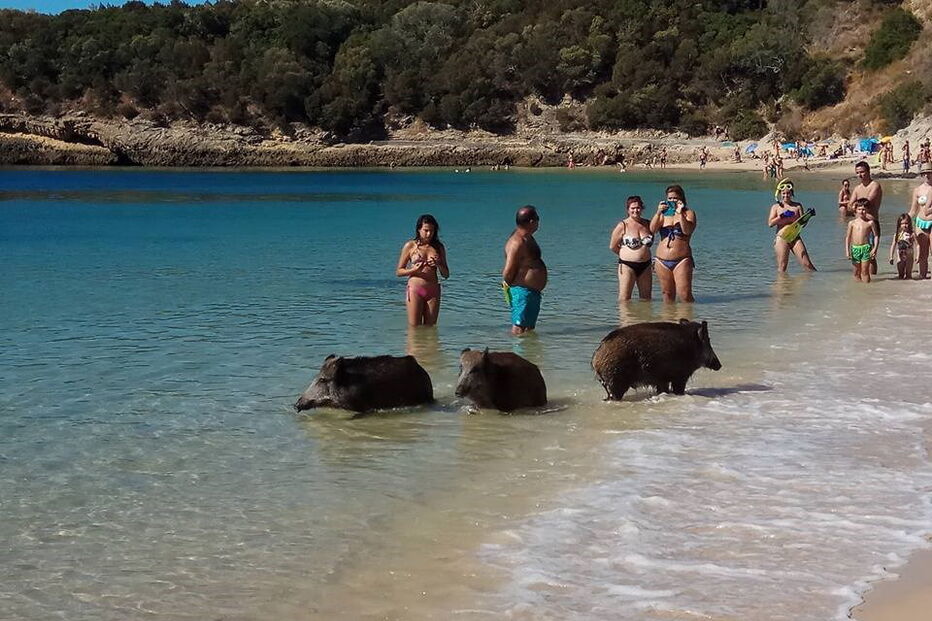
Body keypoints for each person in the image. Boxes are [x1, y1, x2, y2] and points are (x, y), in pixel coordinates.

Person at [395, 214, 449, 327]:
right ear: (419, 229)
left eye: (432, 231)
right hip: (416, 289)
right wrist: (413, 270)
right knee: (414, 327)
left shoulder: (438, 247)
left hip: (433, 290)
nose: (429, 234)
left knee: (431, 328)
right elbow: (399, 272)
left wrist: (438, 264)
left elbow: (446, 274)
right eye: (426, 230)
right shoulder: (410, 246)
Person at [503, 206, 548, 335]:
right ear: (531, 221)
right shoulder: (517, 242)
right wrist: (514, 291)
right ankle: (515, 348)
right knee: (519, 329)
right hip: (522, 292)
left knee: (528, 331)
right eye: (537, 218)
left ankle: (528, 350)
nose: (539, 222)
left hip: (531, 293)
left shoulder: (528, 238)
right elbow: (508, 271)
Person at [650, 184, 696, 302]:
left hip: (682, 259)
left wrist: (679, 213)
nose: (672, 200)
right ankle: (669, 314)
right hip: (661, 260)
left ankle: (689, 313)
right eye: (670, 198)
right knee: (667, 294)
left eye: (675, 198)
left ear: (681, 199)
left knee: (685, 294)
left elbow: (687, 231)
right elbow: (652, 230)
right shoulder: (663, 215)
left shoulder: (688, 214)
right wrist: (658, 212)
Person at [609, 196, 653, 301]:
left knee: (646, 299)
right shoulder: (623, 225)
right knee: (624, 299)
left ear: (642, 208)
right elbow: (613, 246)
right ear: (628, 210)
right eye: (632, 208)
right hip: (627, 265)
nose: (635, 210)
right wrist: (626, 255)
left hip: (646, 265)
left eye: (638, 208)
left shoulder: (648, 224)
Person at [768, 179, 816, 272]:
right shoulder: (776, 207)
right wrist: (782, 216)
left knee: (807, 265)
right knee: (782, 267)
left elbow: (802, 224)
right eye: (784, 193)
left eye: (788, 193)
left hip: (795, 237)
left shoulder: (797, 206)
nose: (786, 195)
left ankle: (818, 279)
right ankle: (781, 282)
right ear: (780, 194)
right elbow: (770, 223)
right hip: (782, 238)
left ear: (792, 194)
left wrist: (808, 216)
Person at [850, 160, 883, 274]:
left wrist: (855, 205)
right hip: (858, 224)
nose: (860, 175)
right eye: (857, 173)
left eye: (862, 172)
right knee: (858, 254)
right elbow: (850, 205)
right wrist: (853, 205)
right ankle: (861, 279)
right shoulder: (857, 188)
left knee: (871, 255)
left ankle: (873, 279)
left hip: (871, 223)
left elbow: (867, 203)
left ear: (868, 171)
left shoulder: (875, 185)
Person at [846, 198, 879, 283]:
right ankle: (858, 288)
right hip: (855, 248)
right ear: (856, 210)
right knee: (856, 272)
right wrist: (847, 251)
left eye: (864, 209)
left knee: (865, 271)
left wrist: (875, 248)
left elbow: (876, 236)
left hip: (866, 248)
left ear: (867, 210)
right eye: (859, 209)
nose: (861, 211)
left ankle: (867, 288)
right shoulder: (852, 223)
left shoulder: (870, 223)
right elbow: (848, 238)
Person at [889, 213, 915, 280]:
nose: (904, 225)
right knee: (900, 275)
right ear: (899, 224)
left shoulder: (912, 234)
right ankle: (901, 285)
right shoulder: (897, 235)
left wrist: (918, 256)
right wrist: (891, 257)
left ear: (909, 223)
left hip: (909, 256)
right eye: (902, 223)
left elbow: (918, 245)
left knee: (908, 275)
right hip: (900, 256)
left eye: (906, 223)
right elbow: (893, 245)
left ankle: (909, 284)